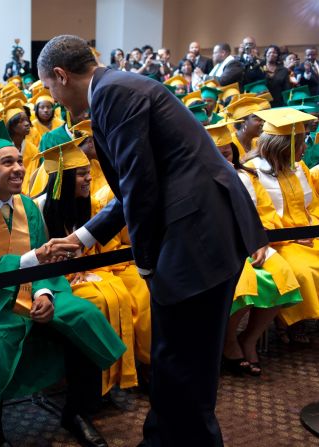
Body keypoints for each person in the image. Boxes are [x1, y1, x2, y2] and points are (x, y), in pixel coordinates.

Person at [37, 35, 267, 446]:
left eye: (49, 88)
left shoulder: (112, 94)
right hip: (206, 229)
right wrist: (84, 237)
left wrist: (144, 262)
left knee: (185, 364)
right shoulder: (118, 86)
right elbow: (137, 185)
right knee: (177, 359)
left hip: (196, 236)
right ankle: (160, 438)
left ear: (61, 75)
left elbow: (140, 186)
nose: (52, 99)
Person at [0, 121, 125, 447]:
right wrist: (32, 261)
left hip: (30, 288)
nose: (18, 169)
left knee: (84, 314)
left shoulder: (27, 206)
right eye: (7, 163)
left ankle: (77, 411)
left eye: (19, 161)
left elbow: (46, 263)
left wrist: (44, 292)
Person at [36, 139, 138, 393]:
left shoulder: (87, 204)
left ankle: (112, 381)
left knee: (119, 294)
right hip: (54, 282)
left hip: (84, 272)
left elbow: (95, 247)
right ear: (64, 178)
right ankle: (90, 386)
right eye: (81, 174)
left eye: (89, 173)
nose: (89, 179)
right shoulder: (38, 209)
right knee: (99, 300)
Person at [205, 119, 302, 376]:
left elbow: (267, 213)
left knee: (283, 276)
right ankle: (228, 341)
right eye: (215, 151)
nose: (222, 154)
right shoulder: (199, 183)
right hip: (222, 249)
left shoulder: (248, 176)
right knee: (247, 286)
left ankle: (249, 337)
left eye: (226, 149)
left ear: (234, 149)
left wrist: (260, 239)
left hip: (254, 244)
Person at [246, 108, 319, 344]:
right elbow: (257, 217)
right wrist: (293, 238)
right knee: (303, 270)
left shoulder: (300, 168)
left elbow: (313, 207)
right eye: (299, 145)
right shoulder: (254, 172)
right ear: (283, 147)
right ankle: (293, 322)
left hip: (308, 236)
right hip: (278, 243)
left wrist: (312, 230)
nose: (305, 150)